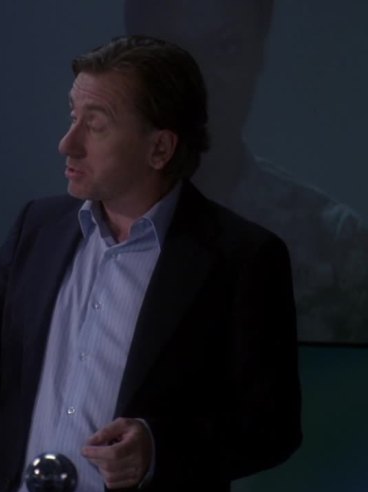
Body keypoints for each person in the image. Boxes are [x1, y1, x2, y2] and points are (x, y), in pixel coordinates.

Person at [0, 36, 302, 492]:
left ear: (160, 148)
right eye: (73, 117)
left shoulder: (242, 258)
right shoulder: (38, 229)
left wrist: (158, 450)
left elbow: (272, 427)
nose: (67, 143)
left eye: (95, 125)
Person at [124, 0, 368, 343]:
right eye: (172, 54)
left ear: (259, 55)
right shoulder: (78, 235)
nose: (200, 81)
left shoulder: (335, 246)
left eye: (225, 49)